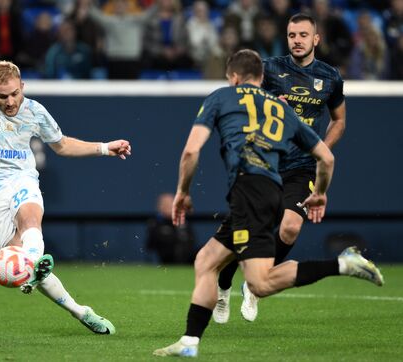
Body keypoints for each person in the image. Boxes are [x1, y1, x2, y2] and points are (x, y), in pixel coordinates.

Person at [152, 49, 383, 358]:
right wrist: (320, 193)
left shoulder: (221, 97)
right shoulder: (282, 108)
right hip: (269, 191)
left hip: (250, 192)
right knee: (205, 260)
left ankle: (343, 264)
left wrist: (182, 191)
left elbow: (191, 152)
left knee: (259, 283)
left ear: (233, 77)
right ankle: (190, 342)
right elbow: (326, 157)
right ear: (262, 78)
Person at [0, 60, 131, 334]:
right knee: (23, 257)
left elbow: (63, 145)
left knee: (31, 220)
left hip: (22, 178)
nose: (9, 102)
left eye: (14, 94)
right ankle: (80, 311)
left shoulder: (35, 111)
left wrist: (104, 148)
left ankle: (30, 268)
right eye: (2, 96)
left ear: (22, 86)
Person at [214, 13, 347, 324]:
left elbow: (339, 121)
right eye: (291, 35)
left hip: (302, 168)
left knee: (289, 227)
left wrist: (321, 149)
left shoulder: (330, 77)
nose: (297, 40)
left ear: (316, 39)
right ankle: (223, 286)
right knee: (242, 234)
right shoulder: (270, 69)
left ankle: (255, 285)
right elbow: (243, 98)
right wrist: (270, 102)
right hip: (266, 163)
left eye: (303, 34)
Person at [146, 193, 195, 264]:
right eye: (166, 205)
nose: (169, 207)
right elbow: (150, 245)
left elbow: (191, 241)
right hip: (165, 261)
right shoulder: (155, 223)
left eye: (171, 204)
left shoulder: (183, 222)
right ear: (160, 207)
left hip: (186, 260)